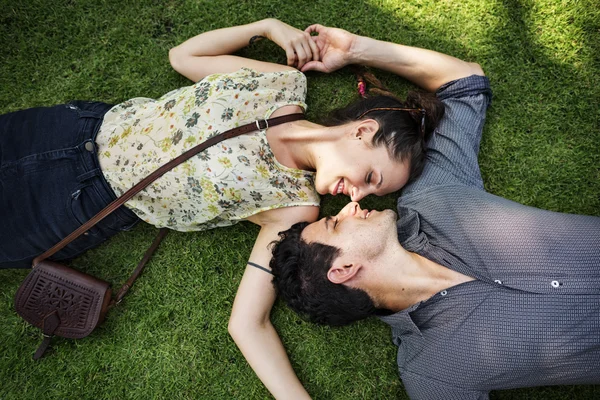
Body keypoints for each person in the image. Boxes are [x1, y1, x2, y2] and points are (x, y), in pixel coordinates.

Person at [0, 19, 446, 398]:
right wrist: (265, 27)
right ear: (362, 131)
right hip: (72, 127)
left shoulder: (294, 207)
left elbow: (247, 323)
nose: (357, 197)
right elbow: (184, 57)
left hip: (80, 206)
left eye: (370, 195)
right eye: (371, 179)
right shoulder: (283, 84)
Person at [270, 25, 600, 399]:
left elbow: (465, 83)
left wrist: (356, 49)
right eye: (334, 223)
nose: (351, 206)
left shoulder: (430, 196)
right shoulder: (432, 372)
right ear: (342, 270)